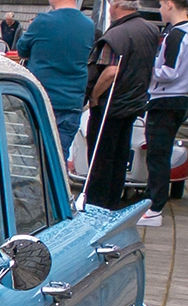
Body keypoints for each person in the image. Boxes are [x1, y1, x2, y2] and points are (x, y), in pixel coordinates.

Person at [84, 0, 161, 209]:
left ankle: (96, 205)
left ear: (116, 5)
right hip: (133, 102)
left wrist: (94, 96)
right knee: (119, 156)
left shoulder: (116, 35)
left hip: (110, 104)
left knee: (100, 158)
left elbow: (111, 71)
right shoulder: (150, 29)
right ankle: (113, 202)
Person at [16, 0, 97, 156]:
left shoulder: (43, 21)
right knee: (59, 157)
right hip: (72, 100)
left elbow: (22, 49)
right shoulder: (88, 25)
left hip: (40, 98)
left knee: (32, 157)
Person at [142, 0, 188, 224]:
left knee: (157, 154)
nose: (160, 9)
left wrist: (147, 69)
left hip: (166, 99)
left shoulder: (176, 35)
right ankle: (153, 201)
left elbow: (169, 71)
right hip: (179, 99)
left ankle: (154, 206)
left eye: (161, 4)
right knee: (160, 152)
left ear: (170, 4)